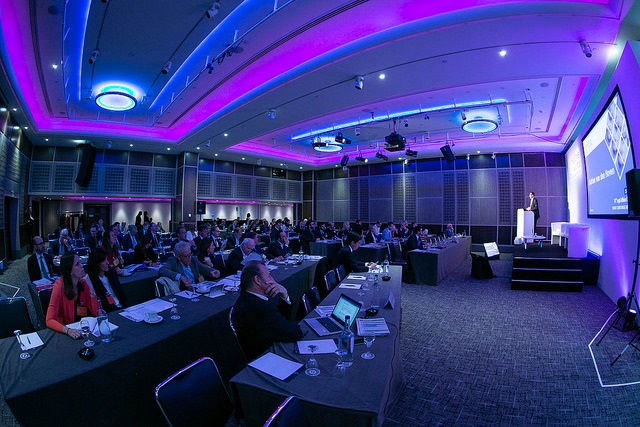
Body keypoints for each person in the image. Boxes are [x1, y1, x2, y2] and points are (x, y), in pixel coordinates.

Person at [231, 261, 303, 361]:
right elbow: (294, 333)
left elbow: (282, 320)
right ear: (257, 280)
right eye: (269, 276)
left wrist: (284, 295)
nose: (273, 280)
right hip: (267, 357)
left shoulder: (248, 298)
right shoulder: (258, 308)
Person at [45, 253, 99, 338]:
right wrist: (68, 330)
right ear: (70, 271)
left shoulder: (83, 283)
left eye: (80, 262)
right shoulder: (59, 286)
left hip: (84, 328)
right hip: (68, 331)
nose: (82, 266)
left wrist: (91, 289)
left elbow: (95, 312)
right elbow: (49, 320)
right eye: (77, 264)